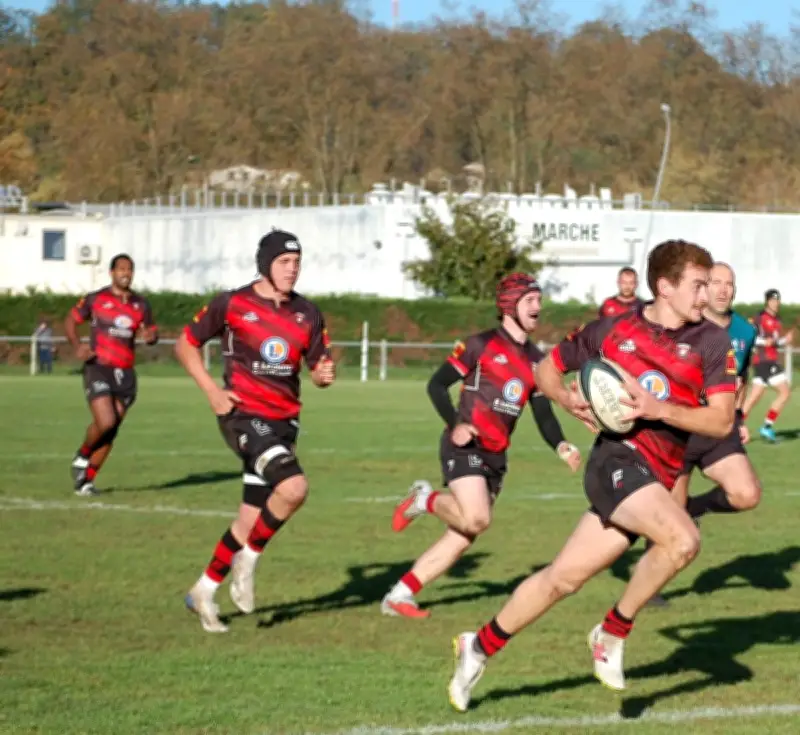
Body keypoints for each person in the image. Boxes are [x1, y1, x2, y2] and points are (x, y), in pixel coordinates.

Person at [447, 240, 736, 712]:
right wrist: (566, 399)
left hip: (658, 475)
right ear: (665, 287)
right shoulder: (613, 329)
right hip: (615, 462)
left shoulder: (712, 342)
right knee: (683, 539)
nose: (706, 295)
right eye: (698, 285)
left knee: (562, 579)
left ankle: (477, 646)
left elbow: (722, 421)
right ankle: (612, 631)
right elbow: (546, 370)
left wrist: (659, 408)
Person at [381, 273, 582, 619]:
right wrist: (456, 424)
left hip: (496, 456)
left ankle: (399, 595)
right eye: (530, 300)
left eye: (539, 299)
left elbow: (543, 413)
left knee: (463, 534)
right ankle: (424, 499)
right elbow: (436, 385)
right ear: (510, 306)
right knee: (476, 518)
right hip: (466, 444)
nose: (538, 306)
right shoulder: (480, 344)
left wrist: (561, 445)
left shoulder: (537, 361)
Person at [177, 229, 335, 634]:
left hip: (285, 423)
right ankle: (247, 560)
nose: (292, 269)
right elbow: (185, 344)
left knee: (249, 520)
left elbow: (317, 366)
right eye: (284, 262)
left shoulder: (308, 312)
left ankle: (203, 591)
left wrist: (322, 375)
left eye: (297, 262)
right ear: (265, 264)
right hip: (243, 415)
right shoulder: (232, 303)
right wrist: (212, 391)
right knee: (294, 488)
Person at [645, 262, 761, 608]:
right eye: (716, 283)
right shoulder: (684, 324)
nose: (724, 290)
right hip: (680, 429)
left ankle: (696, 507)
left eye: (730, 284)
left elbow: (741, 376)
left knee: (746, 494)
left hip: (718, 428)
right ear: (703, 288)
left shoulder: (744, 330)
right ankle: (649, 589)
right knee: (670, 517)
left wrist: (739, 416)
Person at [65, 254, 158, 496]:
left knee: (111, 429)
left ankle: (86, 482)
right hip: (99, 366)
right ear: (112, 273)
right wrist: (77, 345)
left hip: (125, 373)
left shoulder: (141, 304)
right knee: (105, 420)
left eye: (130, 269)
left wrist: (151, 337)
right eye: (121, 269)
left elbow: (151, 331)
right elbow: (71, 321)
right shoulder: (96, 299)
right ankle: (83, 455)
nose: (126, 273)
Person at [742, 288, 794, 442]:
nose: (775, 303)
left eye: (777, 300)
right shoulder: (759, 318)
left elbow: (774, 343)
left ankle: (735, 426)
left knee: (754, 396)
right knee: (785, 392)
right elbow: (749, 337)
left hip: (766, 361)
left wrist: (784, 341)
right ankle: (767, 426)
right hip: (765, 361)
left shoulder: (777, 320)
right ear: (767, 302)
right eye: (772, 300)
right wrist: (764, 341)